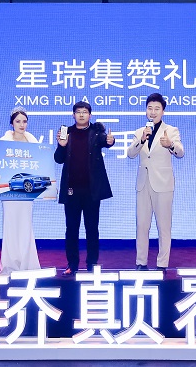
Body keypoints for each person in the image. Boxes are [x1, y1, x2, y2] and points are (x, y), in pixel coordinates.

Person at [54, 101, 115, 276]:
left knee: (92, 229)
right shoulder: (67, 133)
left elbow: (106, 140)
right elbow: (58, 159)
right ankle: (72, 265)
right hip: (71, 190)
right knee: (71, 230)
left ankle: (92, 264)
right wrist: (61, 145)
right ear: (73, 115)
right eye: (78, 112)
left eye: (85, 112)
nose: (81, 115)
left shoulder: (96, 132)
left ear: (90, 115)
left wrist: (111, 141)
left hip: (91, 191)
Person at [127, 93, 184, 274]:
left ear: (163, 111)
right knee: (142, 225)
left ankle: (162, 264)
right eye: (150, 108)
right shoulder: (140, 132)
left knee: (164, 226)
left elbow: (180, 152)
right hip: (143, 184)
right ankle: (141, 262)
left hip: (163, 184)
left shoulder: (171, 131)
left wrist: (170, 145)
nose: (153, 112)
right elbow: (130, 154)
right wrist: (142, 139)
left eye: (157, 109)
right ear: (146, 111)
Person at [0, 107, 41, 275]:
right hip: (10, 192)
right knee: (10, 225)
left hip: (27, 192)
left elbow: (41, 165)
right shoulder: (4, 142)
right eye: (18, 121)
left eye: (24, 121)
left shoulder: (33, 142)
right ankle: (10, 264)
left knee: (25, 224)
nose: (22, 124)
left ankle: (28, 263)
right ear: (12, 123)